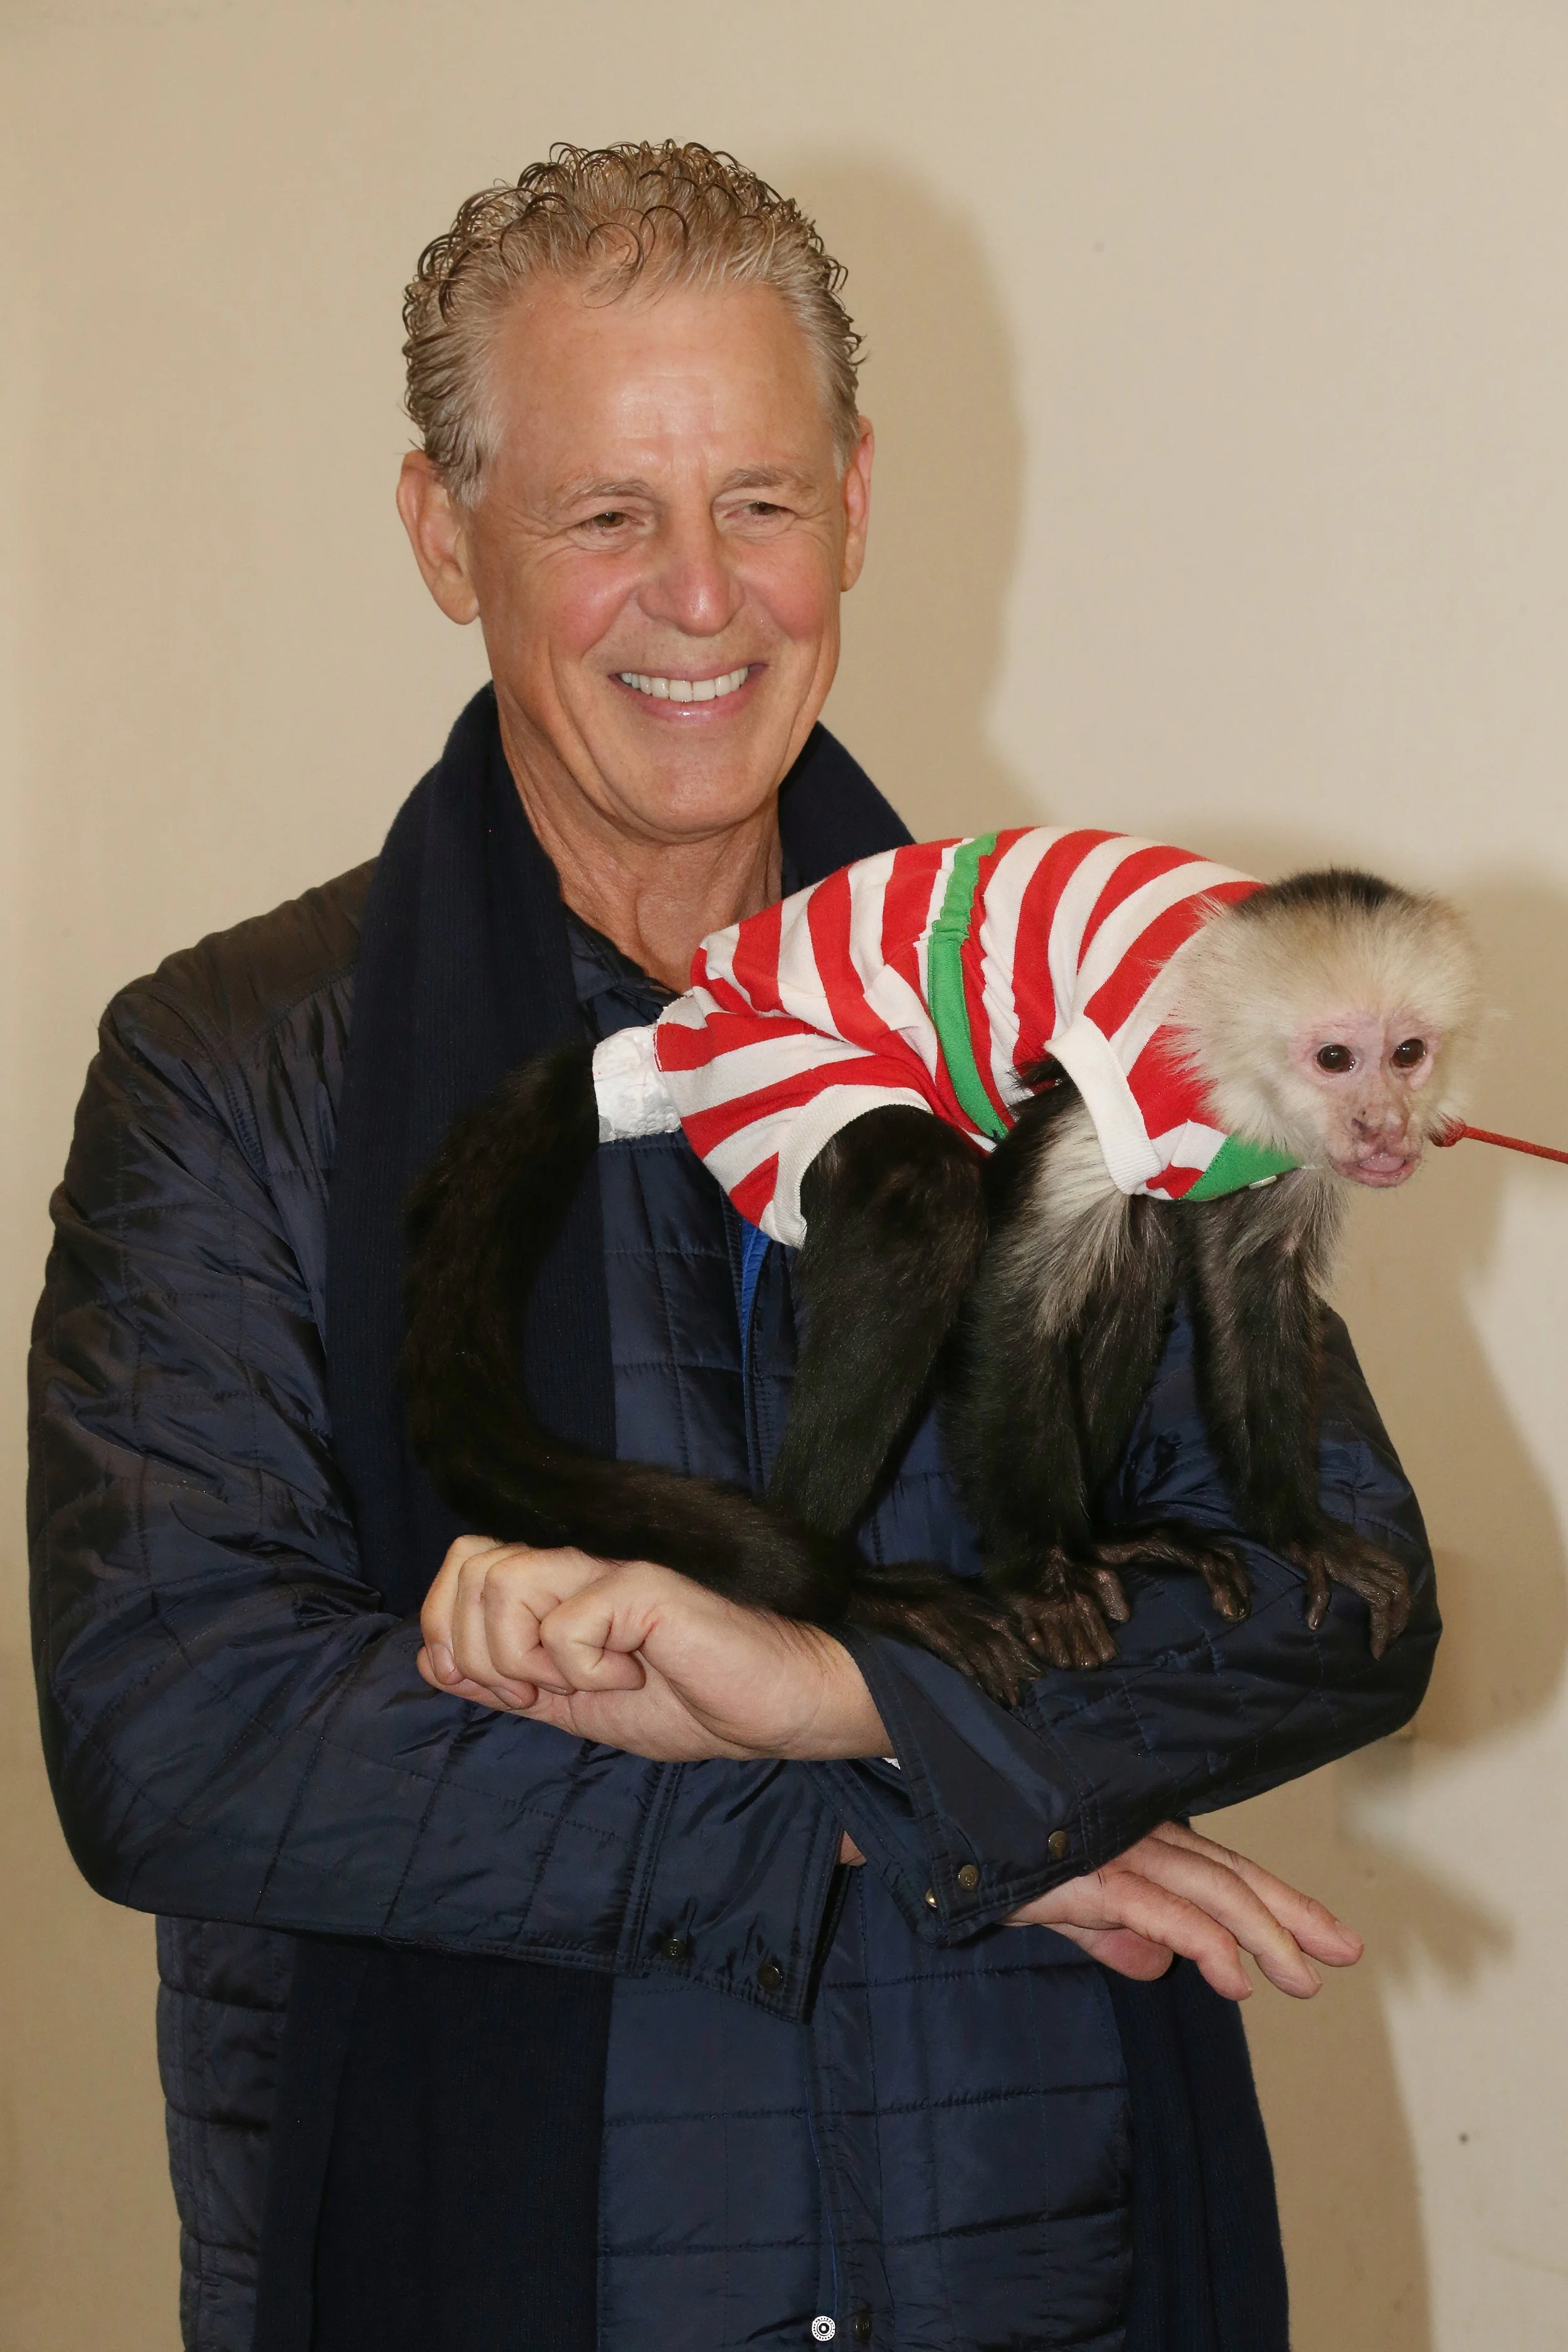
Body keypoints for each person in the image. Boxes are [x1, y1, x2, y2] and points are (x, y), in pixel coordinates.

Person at [28, 143, 1437, 2352]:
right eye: (605, 515)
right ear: (440, 531)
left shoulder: (1091, 1020)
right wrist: (870, 1813)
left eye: (761, 501)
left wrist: (837, 1692)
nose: (703, 596)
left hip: (1057, 2275)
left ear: (856, 507)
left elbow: (1336, 1590)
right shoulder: (234, 1064)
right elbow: (181, 1726)